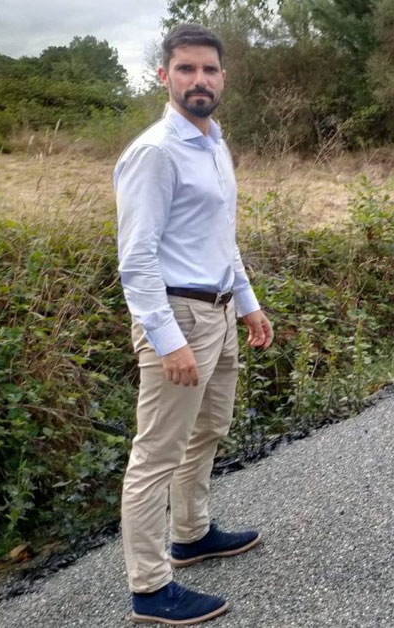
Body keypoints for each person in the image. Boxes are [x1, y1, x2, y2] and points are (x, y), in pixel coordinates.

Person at [114, 23, 274, 625]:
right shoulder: (156, 151)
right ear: (165, 75)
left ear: (223, 77)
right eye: (186, 69)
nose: (199, 80)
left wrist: (248, 300)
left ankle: (192, 534)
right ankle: (150, 589)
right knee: (156, 453)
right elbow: (137, 258)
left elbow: (221, 237)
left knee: (209, 428)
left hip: (221, 309)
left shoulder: (213, 142)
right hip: (177, 315)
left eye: (208, 69)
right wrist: (166, 339)